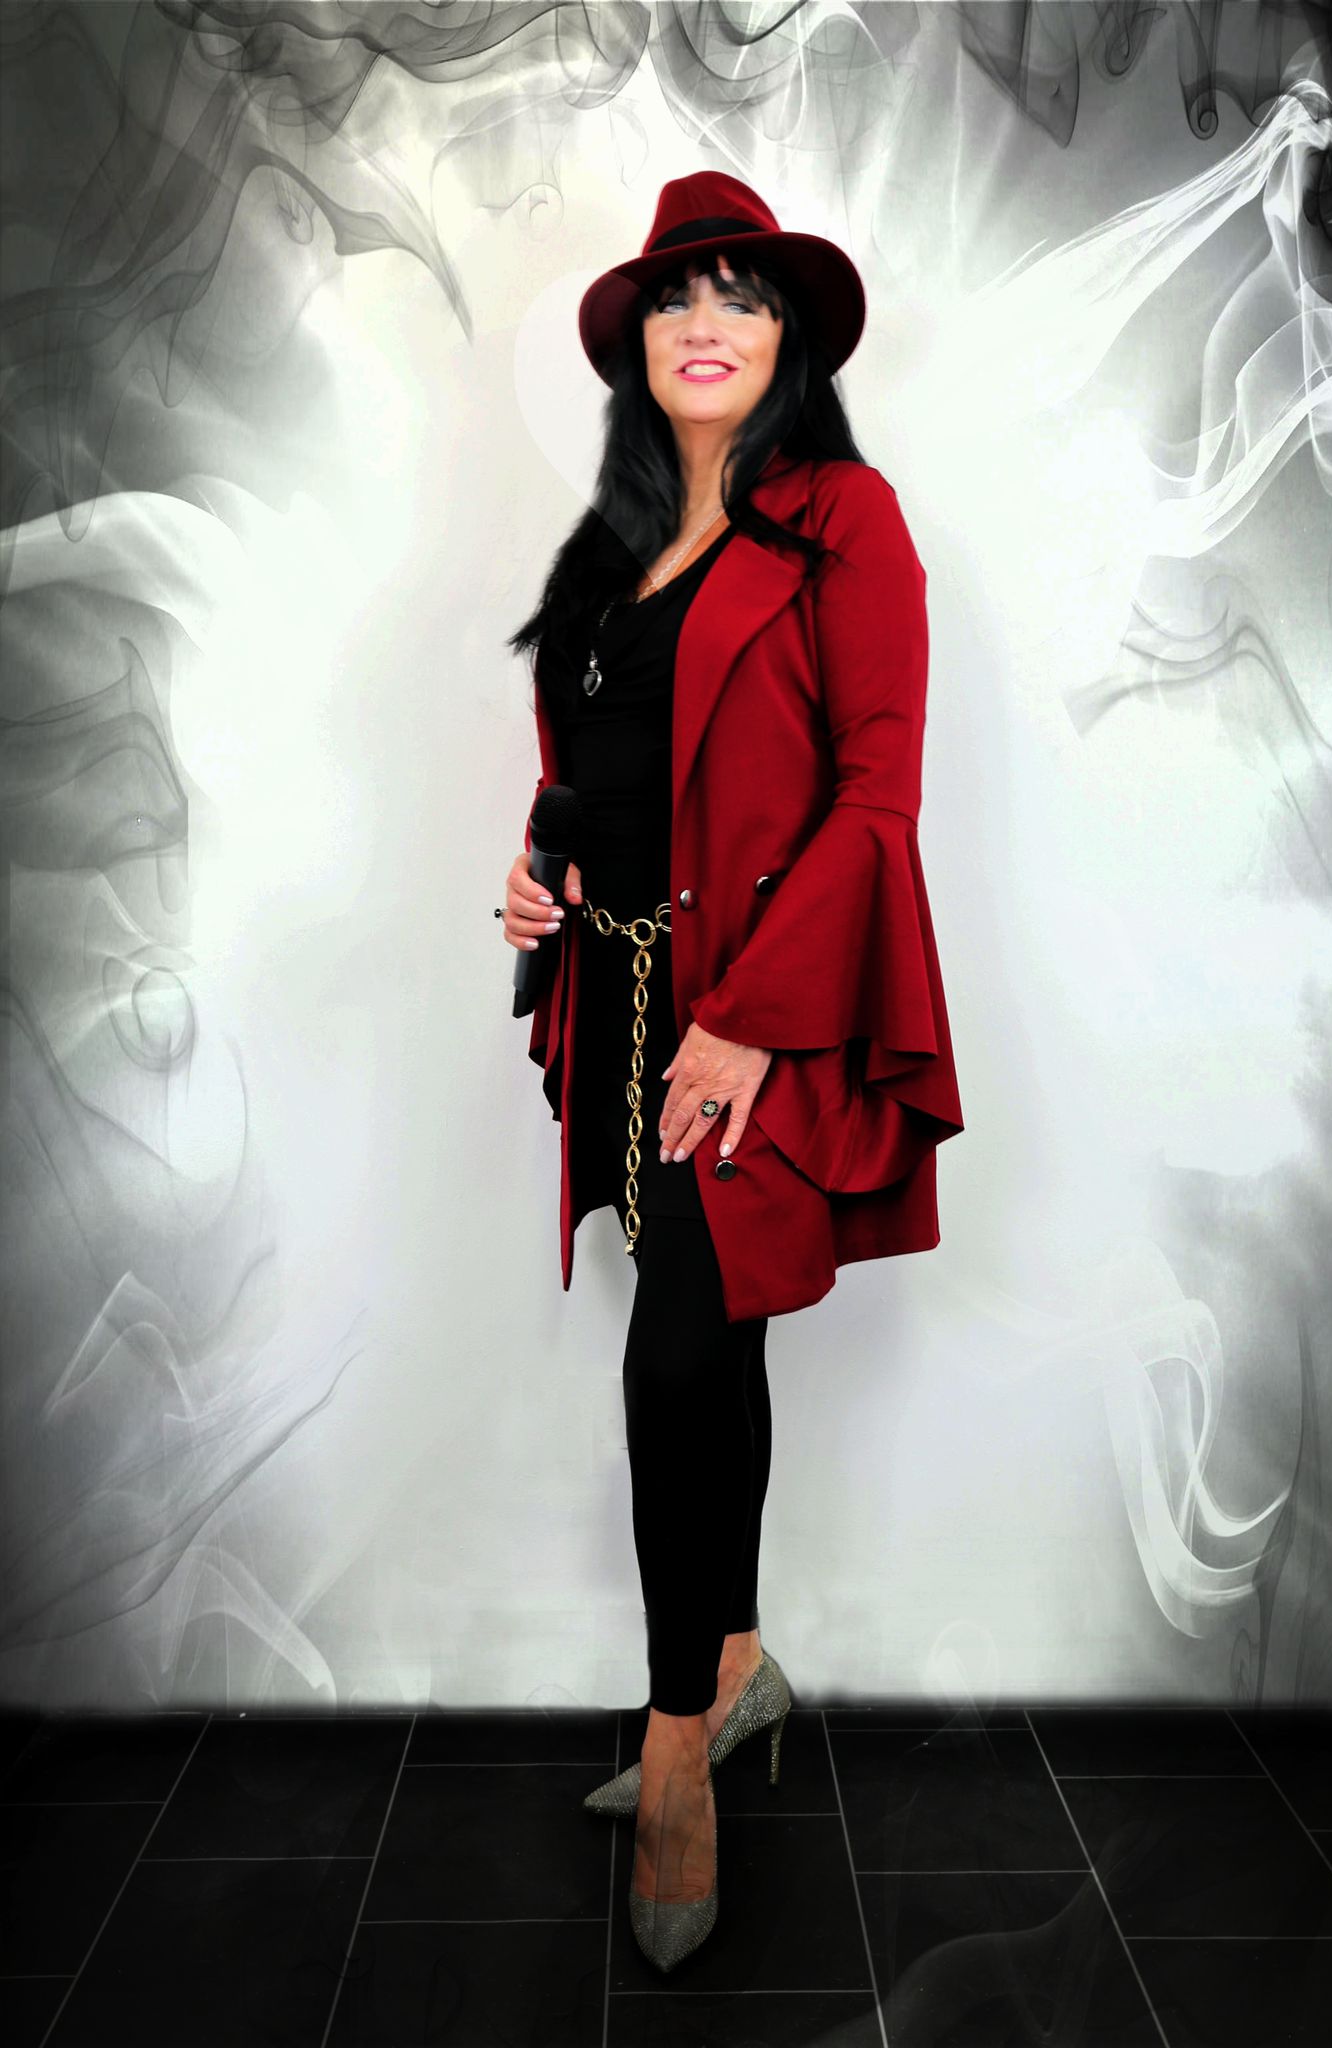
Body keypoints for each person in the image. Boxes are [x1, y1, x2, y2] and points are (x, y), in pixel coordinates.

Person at [499, 172, 963, 1973]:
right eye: (678, 298)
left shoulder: (848, 519)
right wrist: (536, 874)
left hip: (753, 1017)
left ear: (786, 342)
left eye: (742, 296)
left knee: (677, 1352)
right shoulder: (608, 550)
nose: (707, 324)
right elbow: (591, 767)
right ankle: (744, 1657)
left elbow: (876, 794)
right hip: (616, 995)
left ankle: (678, 1749)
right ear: (640, 346)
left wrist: (754, 1018)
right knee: (710, 1336)